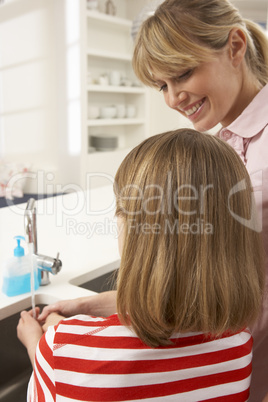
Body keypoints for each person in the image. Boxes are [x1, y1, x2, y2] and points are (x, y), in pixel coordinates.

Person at [39, 0, 268, 399]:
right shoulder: (217, 148)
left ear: (235, 47)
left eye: (182, 73)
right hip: (224, 370)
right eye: (162, 85)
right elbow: (195, 286)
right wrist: (97, 306)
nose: (173, 98)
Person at [18, 129, 264, 401]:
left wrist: (36, 341)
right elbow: (178, 303)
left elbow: (57, 377)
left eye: (120, 211)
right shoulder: (239, 343)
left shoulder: (63, 348)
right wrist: (92, 305)